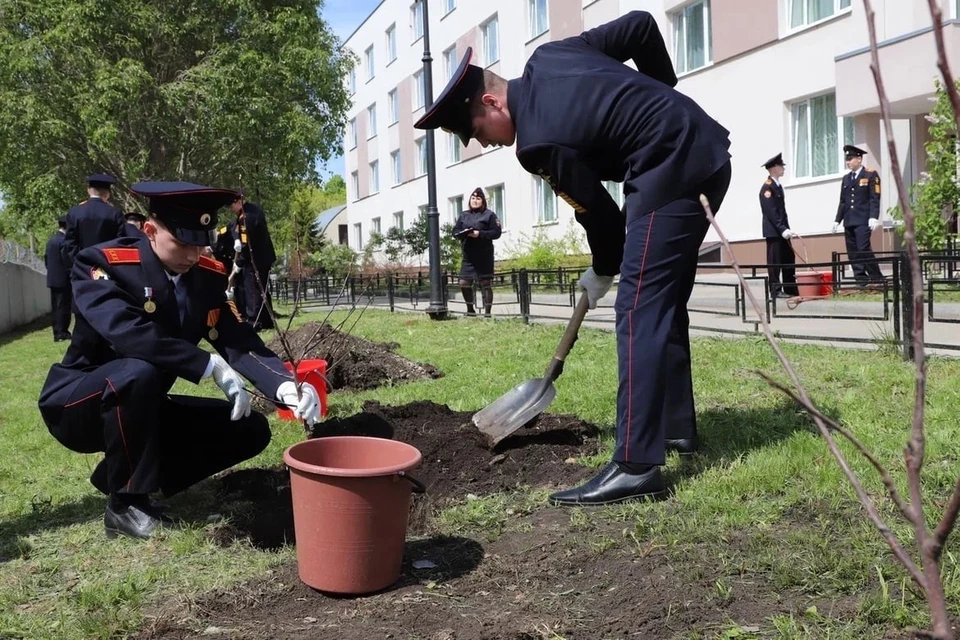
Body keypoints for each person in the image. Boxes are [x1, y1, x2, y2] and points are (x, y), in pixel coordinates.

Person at [414, 11, 732, 506]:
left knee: (638, 308)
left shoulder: (536, 142)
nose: (483, 143)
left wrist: (603, 268)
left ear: (492, 100)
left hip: (669, 167)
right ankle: (673, 431)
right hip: (703, 152)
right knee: (661, 304)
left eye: (477, 130)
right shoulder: (551, 56)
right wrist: (664, 95)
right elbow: (642, 26)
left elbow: (603, 217)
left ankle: (634, 463)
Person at [37, 182, 322, 541]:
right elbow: (126, 332)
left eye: (199, 242)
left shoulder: (206, 275)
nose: (192, 254)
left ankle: (128, 472)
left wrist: (283, 384)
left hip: (145, 403)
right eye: (182, 242)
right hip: (81, 401)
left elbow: (236, 340)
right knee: (136, 372)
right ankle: (125, 504)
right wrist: (206, 364)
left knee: (249, 429)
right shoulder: (101, 264)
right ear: (151, 231)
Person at [833, 144, 884, 286]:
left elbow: (874, 197)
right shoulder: (846, 178)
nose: (848, 162)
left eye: (850, 159)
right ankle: (860, 279)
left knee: (863, 249)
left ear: (859, 159)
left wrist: (874, 216)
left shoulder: (870, 174)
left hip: (863, 220)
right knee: (853, 252)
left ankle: (876, 277)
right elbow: (843, 201)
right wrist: (837, 220)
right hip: (849, 220)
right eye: (846, 159)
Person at [230, 190, 277, 331]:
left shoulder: (246, 217)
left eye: (231, 205)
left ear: (239, 201)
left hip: (255, 259)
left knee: (253, 290)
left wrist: (239, 263)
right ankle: (267, 320)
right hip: (263, 257)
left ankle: (254, 321)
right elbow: (234, 228)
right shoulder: (252, 210)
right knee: (262, 289)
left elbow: (246, 244)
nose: (230, 208)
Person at [452, 187, 502, 317]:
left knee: (485, 283)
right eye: (473, 198)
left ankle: (487, 313)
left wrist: (479, 234)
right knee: (463, 283)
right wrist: (463, 234)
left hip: (484, 255)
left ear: (483, 201)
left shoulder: (489, 215)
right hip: (468, 256)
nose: (475, 201)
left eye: (478, 198)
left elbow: (496, 233)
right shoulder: (464, 215)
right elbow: (455, 231)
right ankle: (470, 310)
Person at [61, 173, 127, 269]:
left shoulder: (74, 213)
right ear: (107, 194)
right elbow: (120, 243)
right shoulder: (115, 214)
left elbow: (69, 243)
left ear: (88, 191)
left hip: (81, 267)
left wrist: (79, 263)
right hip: (108, 268)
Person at [759, 153, 799, 298]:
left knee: (788, 258)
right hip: (774, 232)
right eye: (781, 166)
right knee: (775, 262)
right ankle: (775, 290)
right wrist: (782, 229)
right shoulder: (767, 188)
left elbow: (781, 211)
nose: (783, 169)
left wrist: (786, 228)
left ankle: (790, 288)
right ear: (775, 168)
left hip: (782, 230)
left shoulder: (778, 186)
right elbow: (771, 212)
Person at [44, 216, 73, 341]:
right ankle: (62, 332)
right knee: (64, 307)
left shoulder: (51, 241)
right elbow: (67, 260)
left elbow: (46, 259)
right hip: (63, 279)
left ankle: (57, 331)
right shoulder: (64, 241)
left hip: (53, 278)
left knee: (56, 307)